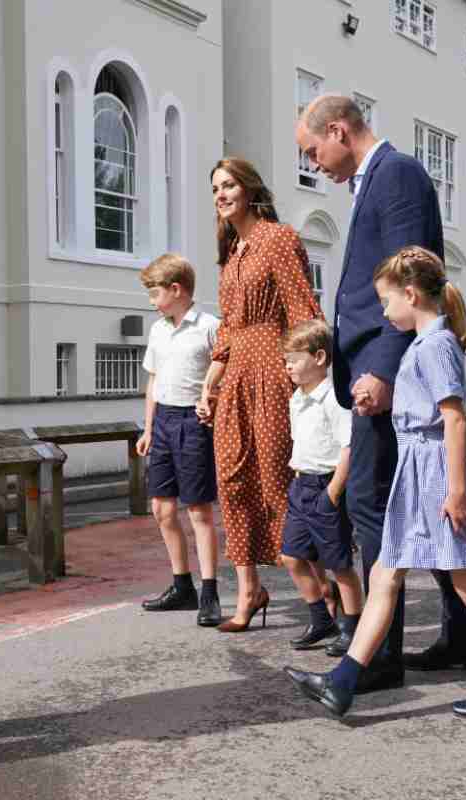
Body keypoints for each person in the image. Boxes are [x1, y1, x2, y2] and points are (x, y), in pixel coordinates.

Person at [289, 95, 466, 692]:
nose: (314, 162)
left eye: (313, 150)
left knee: (374, 507)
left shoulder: (397, 174)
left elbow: (413, 277)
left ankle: (380, 657)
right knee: (418, 506)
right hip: (372, 370)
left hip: (386, 373)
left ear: (340, 131)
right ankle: (464, 637)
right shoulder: (371, 180)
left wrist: (381, 367)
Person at [284, 246, 466, 720]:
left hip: (436, 474)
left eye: (386, 300)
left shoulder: (436, 345)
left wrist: (456, 490)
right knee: (384, 575)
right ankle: (343, 682)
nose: (382, 310)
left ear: (411, 294)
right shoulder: (424, 344)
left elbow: (454, 420)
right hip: (416, 472)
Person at [197, 158, 322, 633]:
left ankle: (325, 590)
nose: (221, 194)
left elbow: (303, 310)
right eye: (215, 188)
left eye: (228, 185)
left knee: (278, 481)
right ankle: (249, 590)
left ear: (249, 188)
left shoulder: (278, 238)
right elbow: (228, 324)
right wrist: (212, 376)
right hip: (235, 375)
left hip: (273, 367)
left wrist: (307, 378)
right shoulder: (232, 252)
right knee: (231, 479)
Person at [136, 254, 222, 627]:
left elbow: (224, 375)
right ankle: (181, 585)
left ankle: (210, 592)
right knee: (161, 509)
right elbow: (153, 382)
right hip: (165, 422)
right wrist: (148, 428)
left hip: (193, 422)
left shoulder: (209, 326)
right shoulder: (158, 330)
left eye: (155, 293)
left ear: (177, 289)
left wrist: (210, 402)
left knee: (199, 511)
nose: (152, 301)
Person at [280, 321, 363, 654]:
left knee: (339, 564)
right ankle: (320, 618)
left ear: (318, 357)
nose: (288, 365)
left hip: (326, 486)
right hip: (301, 485)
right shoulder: (297, 398)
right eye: (286, 359)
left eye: (294, 359)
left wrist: (333, 493)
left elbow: (348, 447)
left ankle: (353, 626)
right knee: (291, 556)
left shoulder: (334, 398)